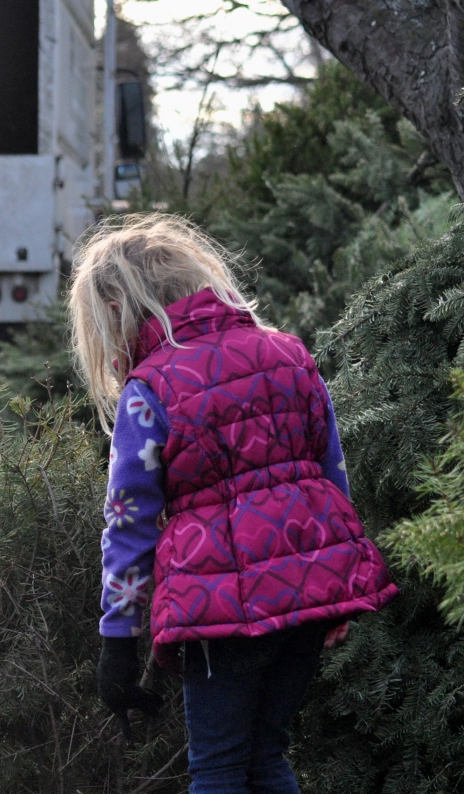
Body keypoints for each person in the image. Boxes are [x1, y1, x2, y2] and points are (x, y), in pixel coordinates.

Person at [70, 214, 396, 794]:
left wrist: (117, 642)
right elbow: (331, 471)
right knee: (267, 757)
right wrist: (335, 585)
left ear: (116, 309)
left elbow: (129, 523)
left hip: (216, 604)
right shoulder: (287, 354)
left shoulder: (149, 391)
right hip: (312, 590)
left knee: (218, 769)